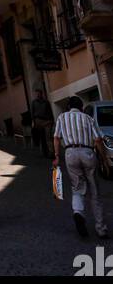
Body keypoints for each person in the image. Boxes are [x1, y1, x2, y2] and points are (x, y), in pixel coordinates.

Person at [53, 96, 110, 239]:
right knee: (95, 191)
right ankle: (101, 228)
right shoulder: (88, 118)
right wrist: (103, 159)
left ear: (68, 107)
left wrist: (56, 156)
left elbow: (56, 137)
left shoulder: (61, 118)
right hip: (87, 152)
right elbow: (97, 139)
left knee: (77, 188)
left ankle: (78, 212)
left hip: (70, 153)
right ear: (81, 107)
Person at [30, 87, 54, 158]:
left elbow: (50, 111)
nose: (37, 94)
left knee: (48, 137)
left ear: (41, 94)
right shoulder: (34, 102)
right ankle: (44, 152)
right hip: (38, 121)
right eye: (36, 93)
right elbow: (32, 113)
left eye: (38, 93)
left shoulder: (46, 102)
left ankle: (51, 152)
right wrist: (33, 122)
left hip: (47, 121)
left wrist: (51, 120)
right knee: (41, 137)